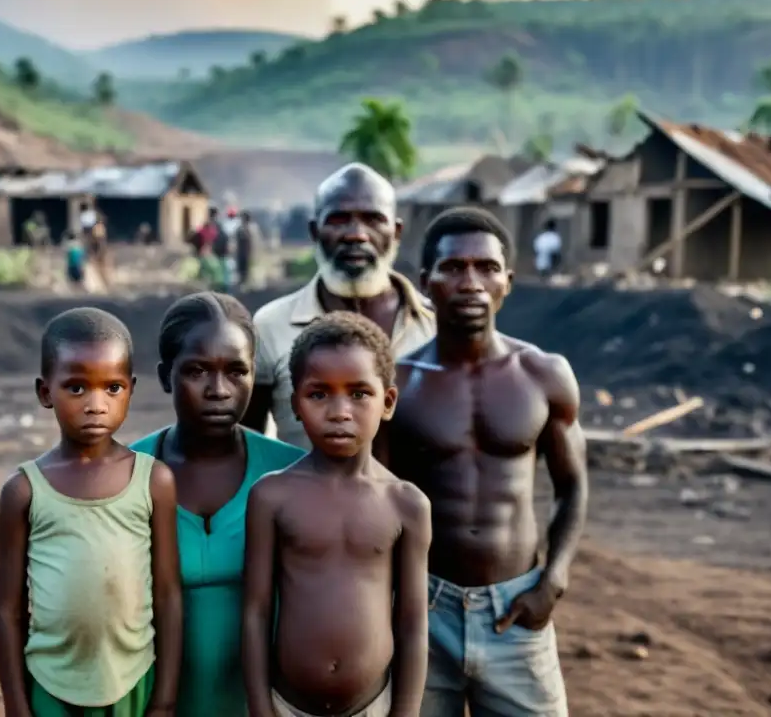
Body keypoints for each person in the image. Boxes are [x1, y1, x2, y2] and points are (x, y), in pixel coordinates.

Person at [378, 206, 588, 716]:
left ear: (507, 282)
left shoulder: (544, 375)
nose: (471, 282)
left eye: (487, 268)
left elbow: (573, 486)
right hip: (420, 609)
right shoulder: (397, 384)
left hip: (517, 611)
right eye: (453, 268)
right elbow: (373, 499)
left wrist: (553, 578)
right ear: (426, 282)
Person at [0, 308, 182, 717]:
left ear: (130, 390)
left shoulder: (153, 482)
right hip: (50, 683)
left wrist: (165, 698)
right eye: (77, 389)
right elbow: (8, 610)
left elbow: (168, 595)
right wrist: (15, 705)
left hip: (132, 681)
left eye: (112, 388)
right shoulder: (24, 491)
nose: (96, 405)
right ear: (45, 393)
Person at [243, 312, 431, 717]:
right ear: (295, 404)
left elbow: (413, 622)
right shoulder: (272, 496)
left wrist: (405, 712)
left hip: (373, 706)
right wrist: (260, 708)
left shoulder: (407, 504)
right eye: (319, 394)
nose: (340, 411)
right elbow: (255, 611)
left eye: (359, 393)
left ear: (389, 402)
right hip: (285, 705)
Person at [130, 292, 305, 717]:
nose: (218, 390)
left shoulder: (293, 475)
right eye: (196, 371)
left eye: (236, 371)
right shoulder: (125, 477)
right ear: (165, 376)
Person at [242, 162, 435, 449]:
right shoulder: (270, 326)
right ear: (314, 231)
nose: (356, 234)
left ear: (395, 232)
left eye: (372, 219)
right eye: (339, 219)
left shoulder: (436, 325)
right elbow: (246, 446)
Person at [236, 211, 261, 289]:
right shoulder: (240, 229)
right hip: (242, 253)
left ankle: (250, 285)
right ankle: (244, 285)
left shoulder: (251, 228)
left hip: (249, 253)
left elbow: (255, 241)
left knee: (250, 270)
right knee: (243, 271)